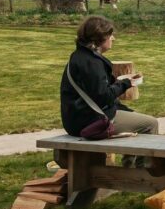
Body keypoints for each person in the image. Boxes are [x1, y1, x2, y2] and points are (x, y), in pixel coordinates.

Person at [60, 16, 157, 166]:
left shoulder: (79, 56)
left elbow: (95, 90)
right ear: (100, 37)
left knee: (132, 117)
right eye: (110, 34)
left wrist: (119, 82)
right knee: (150, 124)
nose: (113, 38)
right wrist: (126, 83)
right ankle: (143, 174)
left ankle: (128, 168)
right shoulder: (92, 63)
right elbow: (103, 96)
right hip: (90, 122)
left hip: (76, 119)